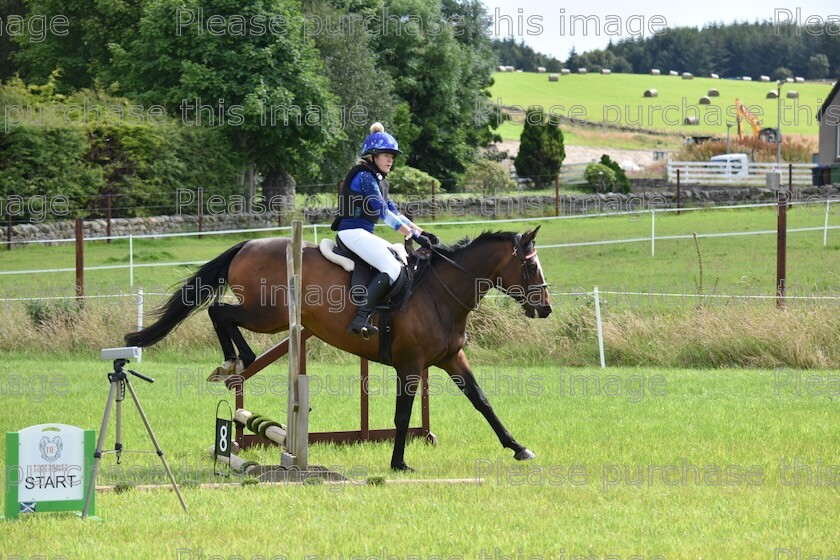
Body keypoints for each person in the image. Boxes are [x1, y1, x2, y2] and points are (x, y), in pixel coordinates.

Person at [332, 122, 439, 337]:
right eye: (385, 154)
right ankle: (360, 318)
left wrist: (421, 232)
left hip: (362, 233)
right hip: (352, 232)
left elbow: (394, 211)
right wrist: (413, 236)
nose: (391, 159)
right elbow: (382, 211)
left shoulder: (378, 180)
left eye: (393, 155)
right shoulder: (365, 177)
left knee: (398, 261)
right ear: (372, 155)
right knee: (391, 268)